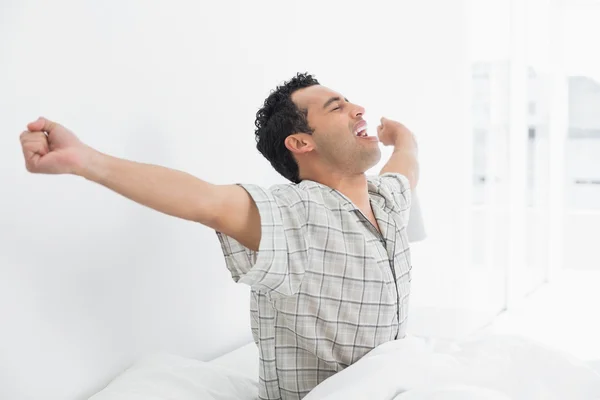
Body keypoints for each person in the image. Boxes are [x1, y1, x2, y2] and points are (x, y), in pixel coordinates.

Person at [19, 72, 419, 400]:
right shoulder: (296, 215)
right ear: (300, 142)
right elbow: (205, 201)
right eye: (338, 106)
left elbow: (406, 165)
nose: (358, 109)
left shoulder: (386, 199)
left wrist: (402, 137)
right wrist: (85, 161)